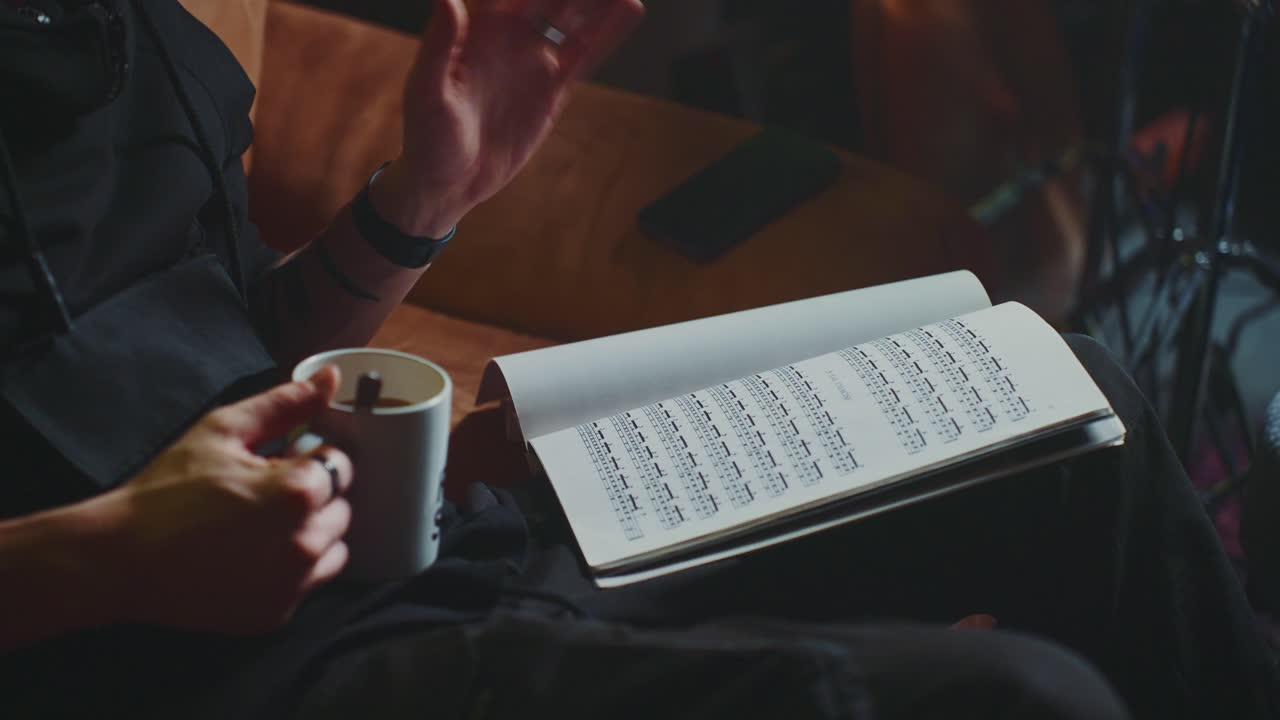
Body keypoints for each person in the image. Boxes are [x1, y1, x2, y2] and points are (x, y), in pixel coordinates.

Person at [0, 1, 1275, 719]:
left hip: (409, 540)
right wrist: (115, 550)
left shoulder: (133, 33)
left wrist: (422, 203)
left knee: (1074, 409)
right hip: (213, 665)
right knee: (1017, 701)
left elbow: (217, 343)